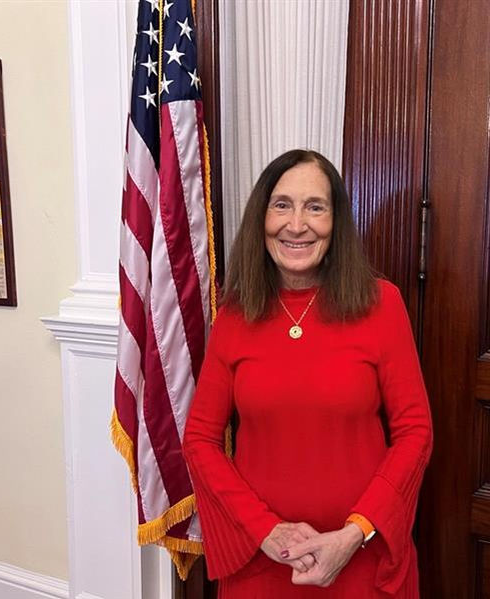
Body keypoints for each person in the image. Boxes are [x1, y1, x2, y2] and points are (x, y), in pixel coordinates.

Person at [183, 149, 433, 598]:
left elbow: (415, 432)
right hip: (262, 561)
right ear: (261, 218)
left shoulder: (382, 305)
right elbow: (200, 439)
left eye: (314, 207)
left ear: (336, 223)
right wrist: (265, 530)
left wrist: (356, 531)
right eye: (281, 205)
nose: (296, 225)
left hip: (361, 559)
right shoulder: (235, 316)